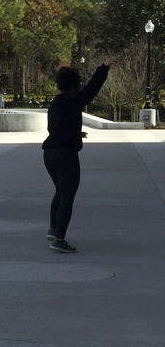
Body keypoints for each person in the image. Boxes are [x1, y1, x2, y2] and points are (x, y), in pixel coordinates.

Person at [42, 63, 110, 253]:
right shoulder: (74, 99)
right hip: (65, 155)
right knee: (67, 197)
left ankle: (53, 229)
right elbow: (92, 89)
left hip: (50, 154)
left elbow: (56, 127)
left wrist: (75, 134)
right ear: (76, 84)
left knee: (59, 192)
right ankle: (59, 239)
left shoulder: (56, 102)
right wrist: (102, 70)